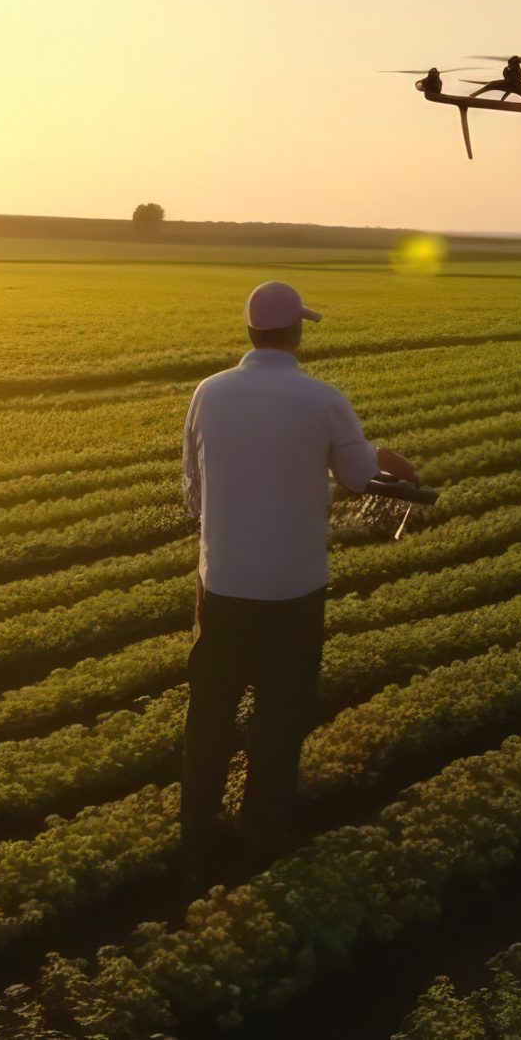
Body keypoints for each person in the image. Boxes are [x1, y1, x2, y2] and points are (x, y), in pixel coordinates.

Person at [177, 279, 415, 888]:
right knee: (278, 722)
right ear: (297, 331)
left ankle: (196, 839)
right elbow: (361, 478)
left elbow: (195, 493)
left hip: (224, 587)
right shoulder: (322, 399)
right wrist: (388, 458)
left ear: (250, 330)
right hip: (294, 593)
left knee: (210, 715)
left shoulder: (208, 393)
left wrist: (215, 560)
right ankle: (260, 846)